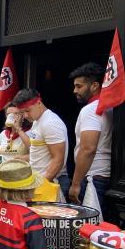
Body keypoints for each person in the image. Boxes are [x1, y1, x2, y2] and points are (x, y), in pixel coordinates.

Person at [69, 62, 112, 213]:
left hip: (92, 178)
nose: (75, 90)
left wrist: (75, 183)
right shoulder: (111, 107)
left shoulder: (91, 109)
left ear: (94, 86)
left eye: (79, 86)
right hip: (104, 175)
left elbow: (88, 149)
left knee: (88, 229)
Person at [12, 89, 69, 200]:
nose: (25, 115)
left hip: (49, 183)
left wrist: (40, 185)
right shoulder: (37, 121)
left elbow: (58, 159)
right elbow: (39, 151)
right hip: (37, 181)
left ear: (38, 102)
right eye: (22, 112)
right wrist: (22, 158)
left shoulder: (50, 123)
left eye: (27, 110)